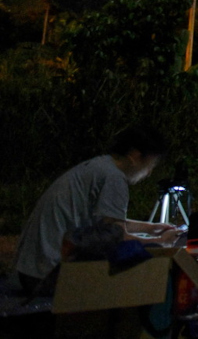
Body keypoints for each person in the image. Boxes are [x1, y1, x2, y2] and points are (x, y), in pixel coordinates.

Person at [14, 125, 180, 296]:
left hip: (31, 271)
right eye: (150, 165)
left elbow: (109, 223)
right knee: (140, 273)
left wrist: (150, 228)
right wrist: (160, 241)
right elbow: (118, 237)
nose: (149, 172)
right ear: (135, 157)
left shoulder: (101, 166)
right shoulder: (114, 178)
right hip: (50, 276)